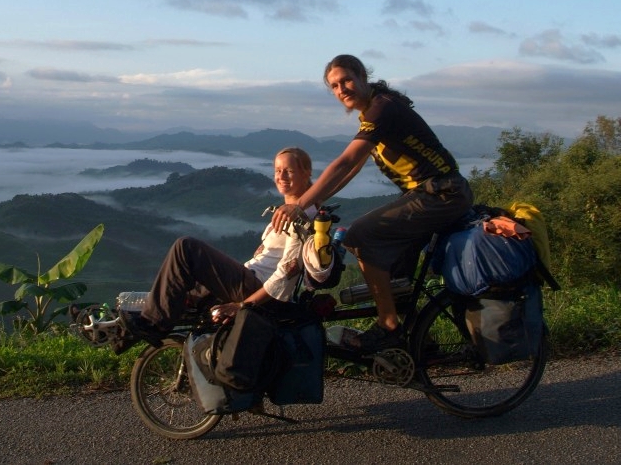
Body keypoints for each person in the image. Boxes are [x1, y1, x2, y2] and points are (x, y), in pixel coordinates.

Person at [271, 54, 473, 353]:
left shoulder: (382, 109)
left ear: (363, 76)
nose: (342, 90)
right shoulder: (374, 111)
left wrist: (299, 204)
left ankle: (388, 326)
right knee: (395, 271)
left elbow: (345, 161)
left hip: (443, 194)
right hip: (430, 194)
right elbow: (352, 170)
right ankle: (419, 345)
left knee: (359, 237)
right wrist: (315, 204)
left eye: (347, 80)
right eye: (335, 86)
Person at [119, 147, 317, 350]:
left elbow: (286, 275)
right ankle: (127, 333)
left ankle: (153, 325)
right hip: (251, 278)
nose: (281, 176)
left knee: (186, 248)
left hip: (260, 290)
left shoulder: (302, 218)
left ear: (307, 172)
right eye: (277, 170)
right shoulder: (288, 213)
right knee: (182, 284)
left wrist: (242, 305)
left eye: (289, 171)